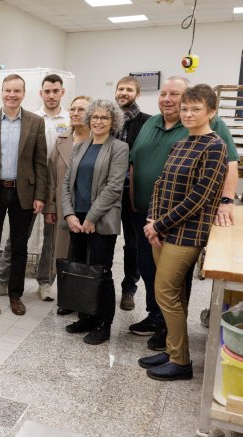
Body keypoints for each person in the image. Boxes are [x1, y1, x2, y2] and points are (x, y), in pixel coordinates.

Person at [128, 76, 239, 351]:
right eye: (164, 93)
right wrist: (151, 218)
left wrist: (226, 201)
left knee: (172, 284)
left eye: (175, 94)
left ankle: (173, 343)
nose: (168, 99)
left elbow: (211, 183)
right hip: (149, 219)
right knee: (152, 274)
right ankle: (158, 323)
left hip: (182, 225)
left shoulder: (212, 137)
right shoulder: (160, 129)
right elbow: (157, 179)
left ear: (208, 111)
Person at [0, 74, 47, 316]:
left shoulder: (36, 122)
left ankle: (16, 295)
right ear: (2, 92)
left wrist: (40, 195)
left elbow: (40, 163)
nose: (12, 95)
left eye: (17, 91)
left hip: (23, 191)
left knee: (19, 246)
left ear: (24, 94)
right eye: (8, 90)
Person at [60, 99, 127, 345]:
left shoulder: (119, 148)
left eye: (104, 118)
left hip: (101, 220)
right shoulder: (79, 147)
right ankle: (85, 316)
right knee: (80, 268)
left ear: (113, 122)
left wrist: (91, 217)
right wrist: (69, 215)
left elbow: (114, 186)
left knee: (100, 270)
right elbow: (67, 184)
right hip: (76, 219)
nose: (99, 122)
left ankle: (103, 323)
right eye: (95, 117)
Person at [0, 74, 70, 301]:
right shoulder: (30, 118)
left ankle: (46, 283)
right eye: (47, 91)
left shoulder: (70, 120)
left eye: (55, 91)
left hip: (57, 185)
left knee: (52, 238)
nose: (51, 95)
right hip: (30, 185)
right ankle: (2, 279)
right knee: (18, 236)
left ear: (62, 92)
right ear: (40, 93)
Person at [44, 95, 91, 317]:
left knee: (86, 255)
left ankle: (85, 298)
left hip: (89, 208)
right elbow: (51, 177)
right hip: (64, 208)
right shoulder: (61, 140)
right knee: (63, 253)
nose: (74, 113)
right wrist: (51, 207)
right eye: (72, 109)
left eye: (81, 109)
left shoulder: (99, 140)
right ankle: (67, 299)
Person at [114, 76, 151, 311]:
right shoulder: (108, 120)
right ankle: (98, 285)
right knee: (103, 239)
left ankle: (129, 288)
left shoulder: (147, 123)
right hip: (108, 191)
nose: (123, 93)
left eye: (129, 90)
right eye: (120, 89)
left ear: (137, 94)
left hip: (131, 192)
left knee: (133, 243)